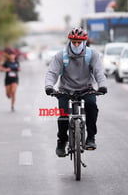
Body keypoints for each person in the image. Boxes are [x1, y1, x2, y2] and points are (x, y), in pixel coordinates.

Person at [45, 27, 107, 157]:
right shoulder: (61, 55)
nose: (77, 45)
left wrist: (102, 86)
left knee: (91, 106)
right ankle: (62, 140)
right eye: (74, 42)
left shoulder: (92, 55)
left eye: (79, 42)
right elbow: (52, 72)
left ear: (85, 42)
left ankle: (90, 138)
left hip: (87, 88)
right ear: (70, 41)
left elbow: (99, 72)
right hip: (66, 90)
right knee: (63, 114)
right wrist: (49, 86)